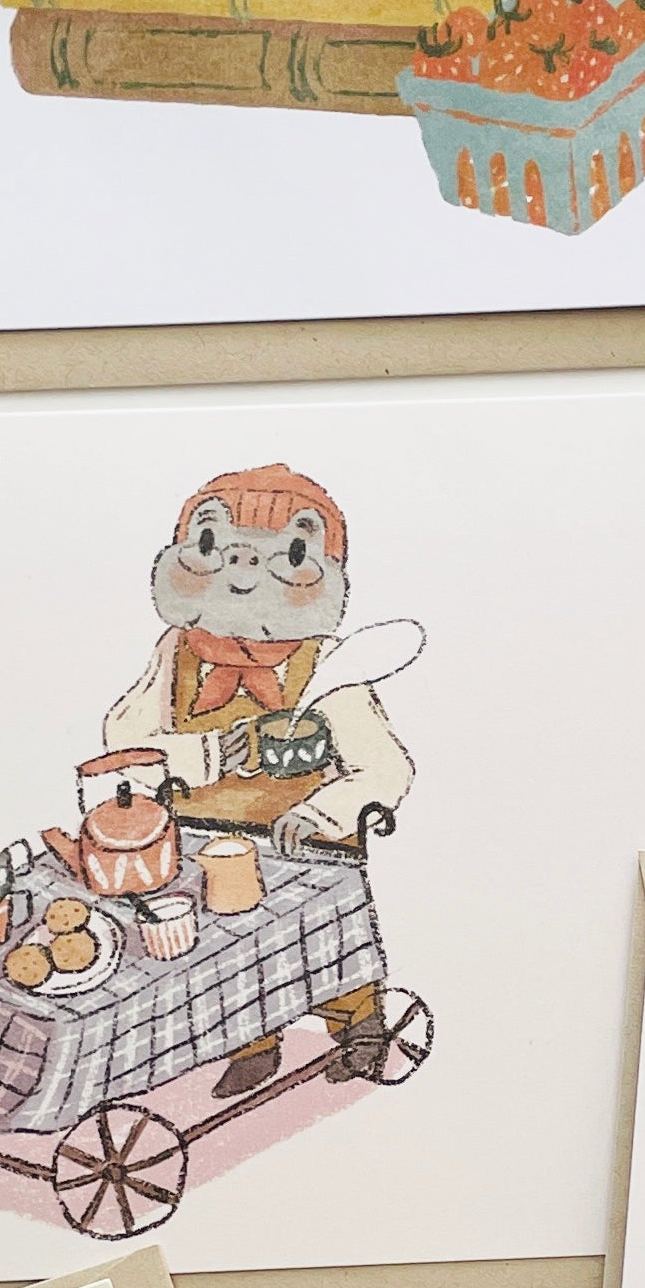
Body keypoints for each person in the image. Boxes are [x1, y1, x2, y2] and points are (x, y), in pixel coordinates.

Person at [100, 462, 414, 1095]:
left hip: (303, 845)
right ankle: (251, 1043)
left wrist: (322, 814)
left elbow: (385, 767)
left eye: (286, 556)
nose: (243, 572)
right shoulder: (176, 651)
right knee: (224, 951)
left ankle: (358, 1027)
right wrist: (209, 755)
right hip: (200, 835)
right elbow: (122, 737)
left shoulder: (325, 664)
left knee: (323, 942)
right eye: (214, 545)